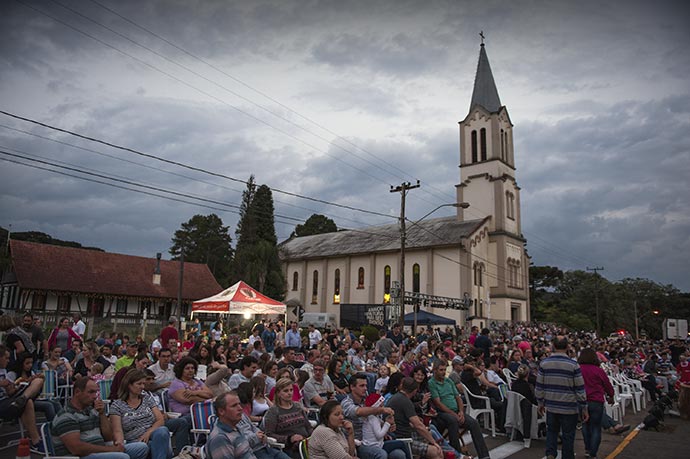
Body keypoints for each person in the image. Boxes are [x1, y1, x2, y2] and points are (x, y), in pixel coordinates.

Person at [52, 377, 148, 458]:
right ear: (77, 392)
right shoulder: (66, 415)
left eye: (96, 392)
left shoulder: (91, 411)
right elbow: (76, 449)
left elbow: (109, 437)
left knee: (141, 447)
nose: (95, 396)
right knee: (122, 457)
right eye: (91, 392)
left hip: (100, 450)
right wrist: (111, 450)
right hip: (81, 456)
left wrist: (102, 414)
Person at [535, 336, 588, 459]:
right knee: (568, 435)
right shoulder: (573, 365)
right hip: (569, 406)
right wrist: (584, 406)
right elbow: (580, 388)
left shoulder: (544, 363)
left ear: (553, 346)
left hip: (552, 405)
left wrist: (540, 402)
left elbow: (539, 386)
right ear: (567, 347)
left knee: (552, 432)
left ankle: (550, 454)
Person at [427, 360, 490, 459]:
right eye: (441, 370)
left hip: (456, 411)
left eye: (444, 370)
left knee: (474, 423)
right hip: (442, 413)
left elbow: (458, 398)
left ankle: (484, 456)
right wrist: (454, 414)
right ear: (435, 370)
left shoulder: (449, 381)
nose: (443, 372)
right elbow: (438, 403)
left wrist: (461, 411)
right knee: (453, 421)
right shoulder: (432, 383)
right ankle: (457, 454)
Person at [341, 373, 406, 459]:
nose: (365, 388)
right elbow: (358, 412)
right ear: (352, 387)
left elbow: (375, 421)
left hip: (374, 439)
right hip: (357, 442)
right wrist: (381, 409)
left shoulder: (366, 399)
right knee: (381, 454)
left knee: (399, 454)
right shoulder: (346, 402)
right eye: (361, 386)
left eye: (366, 385)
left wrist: (386, 425)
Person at [111, 369, 172, 459]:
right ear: (128, 385)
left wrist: (147, 433)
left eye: (143, 383)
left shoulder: (147, 399)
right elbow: (117, 430)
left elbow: (160, 420)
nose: (142, 386)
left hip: (152, 436)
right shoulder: (117, 405)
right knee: (151, 446)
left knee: (162, 431)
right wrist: (120, 445)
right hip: (133, 441)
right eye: (139, 384)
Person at [0, 345, 45, 452]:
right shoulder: (11, 373)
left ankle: (36, 441)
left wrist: (13, 387)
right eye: (6, 358)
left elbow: (9, 392)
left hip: (8, 399)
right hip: (2, 403)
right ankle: (36, 441)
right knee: (31, 403)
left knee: (38, 381)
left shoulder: (4, 371)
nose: (8, 360)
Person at [387, 377, 443, 459]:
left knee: (431, 433)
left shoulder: (396, 398)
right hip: (403, 439)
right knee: (436, 452)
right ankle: (451, 453)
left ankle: (452, 453)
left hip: (399, 434)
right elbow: (418, 425)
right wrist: (433, 442)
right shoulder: (405, 401)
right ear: (414, 390)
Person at [578, 348, 614, 459]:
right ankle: (593, 453)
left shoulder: (578, 369)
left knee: (585, 425)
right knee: (596, 428)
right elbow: (607, 385)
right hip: (596, 401)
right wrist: (611, 396)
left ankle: (587, 449)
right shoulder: (598, 370)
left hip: (581, 400)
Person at [263, 377, 313, 458]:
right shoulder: (273, 411)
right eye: (286, 391)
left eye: (291, 390)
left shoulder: (297, 406)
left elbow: (308, 426)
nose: (289, 393)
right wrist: (289, 439)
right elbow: (269, 434)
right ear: (278, 393)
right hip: (290, 447)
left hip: (306, 443)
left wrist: (314, 437)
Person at [206, 392, 255, 459]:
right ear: (221, 411)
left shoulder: (236, 428)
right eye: (234, 406)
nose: (240, 408)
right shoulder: (220, 438)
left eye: (239, 404)